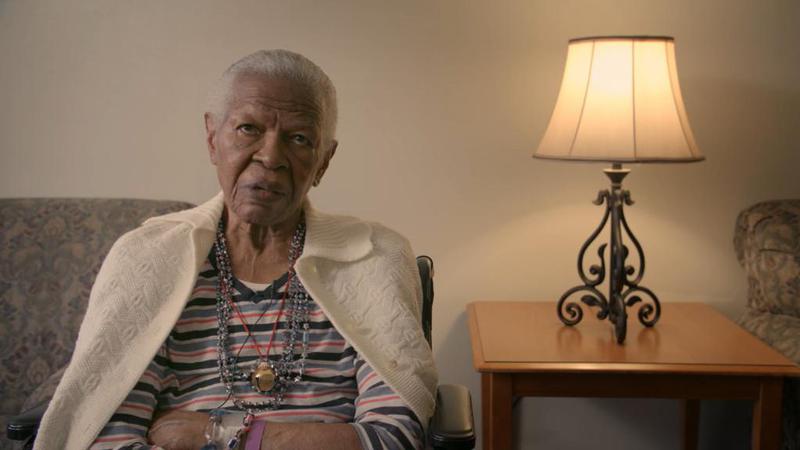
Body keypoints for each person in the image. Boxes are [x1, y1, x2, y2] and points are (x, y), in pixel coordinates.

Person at [34, 49, 437, 450]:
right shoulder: (149, 260)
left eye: (299, 138)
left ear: (324, 162)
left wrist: (223, 433)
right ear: (213, 139)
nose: (270, 156)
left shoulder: (373, 258)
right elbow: (109, 435)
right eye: (248, 128)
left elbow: (394, 437)